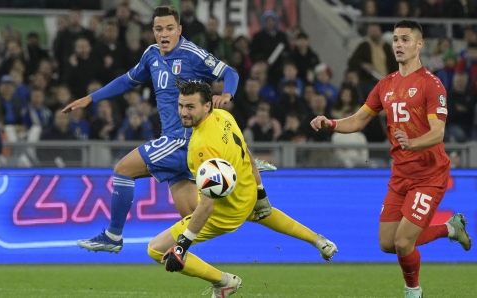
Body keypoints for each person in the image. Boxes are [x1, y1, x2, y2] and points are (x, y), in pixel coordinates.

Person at [63, 6, 275, 254]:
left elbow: (230, 72)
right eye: (158, 29)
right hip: (177, 145)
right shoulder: (151, 54)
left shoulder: (191, 54)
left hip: (181, 139)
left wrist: (227, 93)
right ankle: (222, 273)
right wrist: (91, 98)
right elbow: (126, 81)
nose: (164, 34)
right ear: (153, 31)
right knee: (192, 219)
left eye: (169, 28)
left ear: (179, 30)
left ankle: (112, 236)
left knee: (122, 170)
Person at [310, 20, 472, 298]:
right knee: (388, 243)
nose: (398, 44)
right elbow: (359, 120)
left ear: (419, 44)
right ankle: (450, 229)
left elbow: (438, 133)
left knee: (402, 241)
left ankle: (413, 291)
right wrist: (332, 124)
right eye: (396, 39)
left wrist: (414, 143)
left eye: (405, 39)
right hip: (401, 175)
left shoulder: (431, 85)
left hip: (429, 175)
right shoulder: (385, 85)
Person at [148, 79, 337, 297]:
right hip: (247, 193)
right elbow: (247, 153)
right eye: (181, 105)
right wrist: (261, 193)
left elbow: (208, 205)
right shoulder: (224, 116)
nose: (183, 112)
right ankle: (319, 240)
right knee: (262, 213)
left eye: (190, 107)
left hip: (225, 213)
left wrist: (182, 245)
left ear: (207, 105)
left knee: (156, 248)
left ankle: (225, 282)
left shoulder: (202, 146)